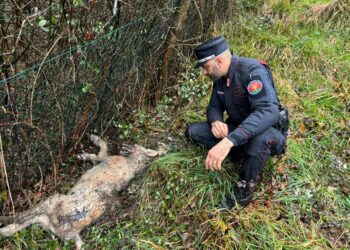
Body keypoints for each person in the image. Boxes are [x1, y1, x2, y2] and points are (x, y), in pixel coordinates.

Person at [185, 35, 289, 208]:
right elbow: (213, 107)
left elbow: (268, 112)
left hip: (269, 133)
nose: (204, 72)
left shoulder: (253, 72)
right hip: (238, 132)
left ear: (218, 61)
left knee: (260, 139)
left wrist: (229, 141)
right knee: (193, 131)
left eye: (205, 67)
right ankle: (241, 153)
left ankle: (243, 191)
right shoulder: (220, 79)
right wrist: (215, 121)